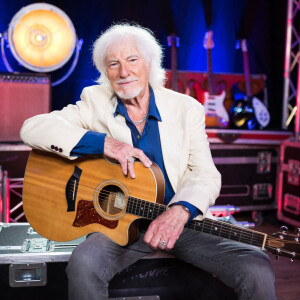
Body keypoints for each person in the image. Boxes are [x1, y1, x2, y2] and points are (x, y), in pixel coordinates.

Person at [20, 23, 276, 300]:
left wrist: (178, 212)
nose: (123, 71)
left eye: (132, 60)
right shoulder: (93, 102)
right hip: (117, 226)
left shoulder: (186, 108)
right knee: (84, 264)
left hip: (181, 222)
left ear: (150, 63)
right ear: (105, 72)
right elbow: (32, 128)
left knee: (256, 265)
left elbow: (205, 174)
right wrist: (104, 143)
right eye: (113, 64)